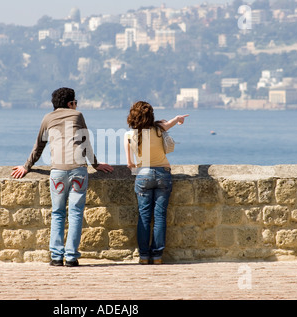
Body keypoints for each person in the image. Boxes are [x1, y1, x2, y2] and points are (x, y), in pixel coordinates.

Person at [12, 87, 113, 267]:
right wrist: (96, 165)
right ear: (70, 103)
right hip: (78, 170)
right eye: (75, 102)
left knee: (58, 213)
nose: (76, 105)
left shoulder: (47, 118)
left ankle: (57, 256)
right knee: (75, 213)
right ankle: (71, 257)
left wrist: (26, 167)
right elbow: (86, 143)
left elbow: (38, 146)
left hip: (57, 171)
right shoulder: (78, 116)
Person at [124, 101, 189, 265]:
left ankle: (144, 256)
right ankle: (157, 256)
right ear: (150, 115)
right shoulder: (159, 129)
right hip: (163, 174)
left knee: (144, 217)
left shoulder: (129, 135)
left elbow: (130, 164)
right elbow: (172, 122)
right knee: (160, 217)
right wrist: (178, 118)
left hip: (143, 175)